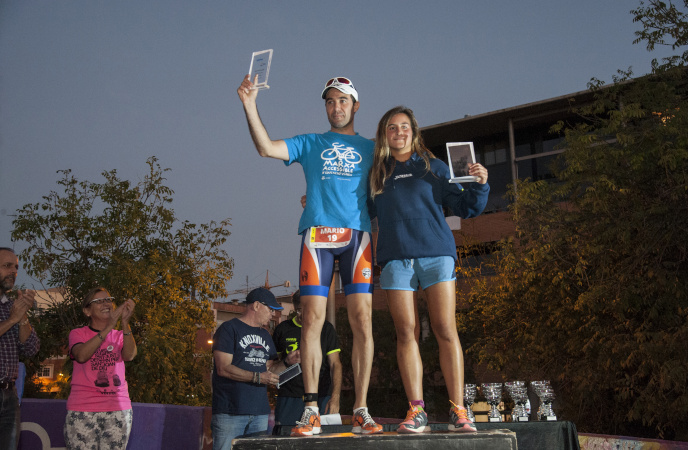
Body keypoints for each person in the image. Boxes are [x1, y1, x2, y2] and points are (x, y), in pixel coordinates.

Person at [237, 75, 382, 436]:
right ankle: (311, 409)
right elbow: (266, 148)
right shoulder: (311, 142)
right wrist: (250, 104)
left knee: (362, 321)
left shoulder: (372, 147)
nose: (336, 107)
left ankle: (361, 408)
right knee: (312, 321)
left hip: (357, 238)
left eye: (343, 101)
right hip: (317, 237)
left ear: (355, 106)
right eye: (330, 101)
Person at [368, 106, 490, 434]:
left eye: (404, 127)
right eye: (392, 128)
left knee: (444, 328)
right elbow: (355, 210)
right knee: (406, 332)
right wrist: (319, 203)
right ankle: (416, 410)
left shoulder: (434, 168)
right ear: (385, 134)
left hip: (436, 254)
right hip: (395, 259)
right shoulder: (376, 174)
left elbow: (469, 207)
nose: (399, 132)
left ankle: (458, 410)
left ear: (414, 132)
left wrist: (480, 183)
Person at [212, 287, 297, 449]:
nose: (272, 313)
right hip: (230, 411)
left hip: (259, 412)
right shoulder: (229, 329)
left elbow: (269, 371)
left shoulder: (265, 335)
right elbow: (223, 367)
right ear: (256, 305)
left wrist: (287, 362)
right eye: (270, 309)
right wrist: (258, 377)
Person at [64, 287, 137, 449]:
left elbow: (130, 355)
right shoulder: (78, 333)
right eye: (99, 301)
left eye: (109, 300)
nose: (106, 303)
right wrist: (107, 328)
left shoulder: (119, 335)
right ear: (87, 311)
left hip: (118, 409)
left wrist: (125, 323)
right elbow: (81, 356)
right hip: (82, 410)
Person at [272, 290, 342, 432]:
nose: (305, 314)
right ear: (294, 308)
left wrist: (335, 397)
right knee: (288, 440)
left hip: (322, 397)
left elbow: (336, 364)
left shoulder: (326, 328)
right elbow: (271, 368)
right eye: (300, 310)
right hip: (290, 398)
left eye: (311, 308)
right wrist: (287, 361)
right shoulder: (282, 330)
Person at [0, 247, 40, 450]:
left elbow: (31, 348)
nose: (13, 272)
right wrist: (13, 319)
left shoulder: (11, 306)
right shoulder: (11, 313)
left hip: (9, 394)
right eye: (7, 266)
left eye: (15, 268)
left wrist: (22, 316)